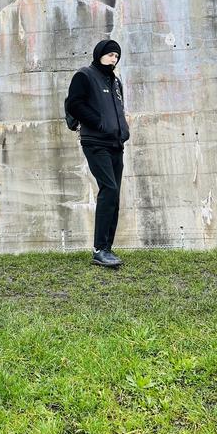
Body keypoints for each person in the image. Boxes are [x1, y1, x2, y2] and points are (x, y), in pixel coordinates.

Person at [65, 39, 130, 268]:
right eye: (111, 55)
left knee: (114, 195)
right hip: (95, 142)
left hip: (115, 143)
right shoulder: (85, 75)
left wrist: (123, 130)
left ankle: (107, 249)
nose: (114, 59)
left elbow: (118, 109)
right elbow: (74, 104)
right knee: (108, 189)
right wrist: (98, 123)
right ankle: (99, 249)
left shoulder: (115, 81)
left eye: (117, 56)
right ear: (99, 54)